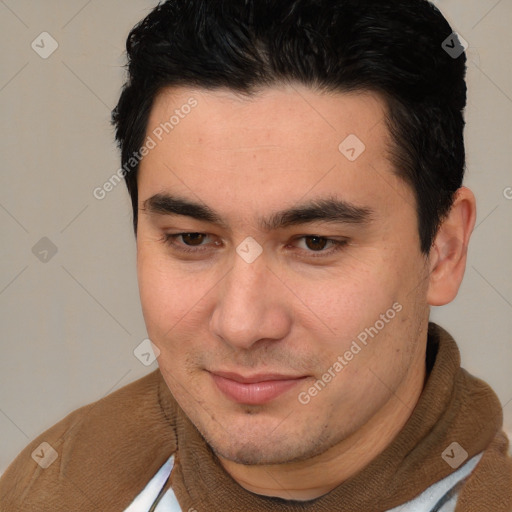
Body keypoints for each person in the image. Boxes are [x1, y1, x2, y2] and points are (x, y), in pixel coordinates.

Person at [1, 0, 511, 510]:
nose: (242, 325)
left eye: (316, 242)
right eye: (192, 239)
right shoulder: (46, 489)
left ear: (444, 251)